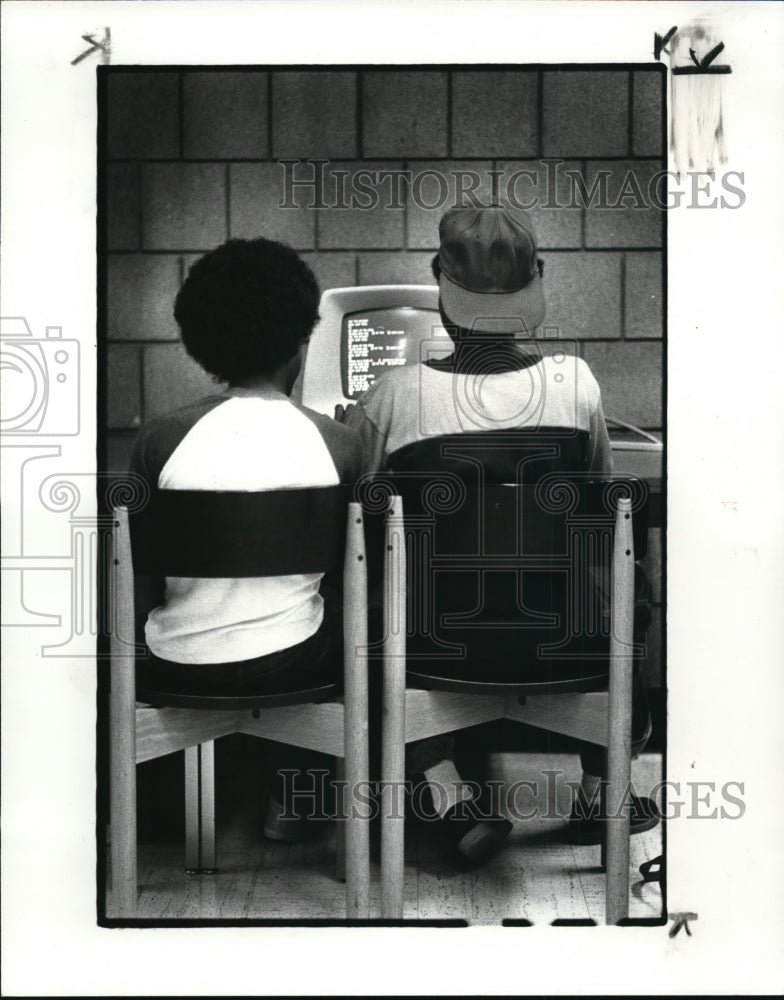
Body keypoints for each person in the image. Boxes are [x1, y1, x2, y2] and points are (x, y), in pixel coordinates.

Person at [343, 204, 658, 846]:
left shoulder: (393, 397)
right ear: (533, 286)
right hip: (563, 636)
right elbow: (599, 513)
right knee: (628, 581)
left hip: (436, 644)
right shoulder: (576, 386)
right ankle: (602, 791)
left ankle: (445, 791)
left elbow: (360, 518)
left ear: (441, 286)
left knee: (367, 596)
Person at [130, 237, 362, 840]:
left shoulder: (160, 440)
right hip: (295, 662)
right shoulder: (339, 445)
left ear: (203, 346)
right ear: (300, 342)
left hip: (176, 664)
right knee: (340, 600)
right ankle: (297, 799)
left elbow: (143, 577)